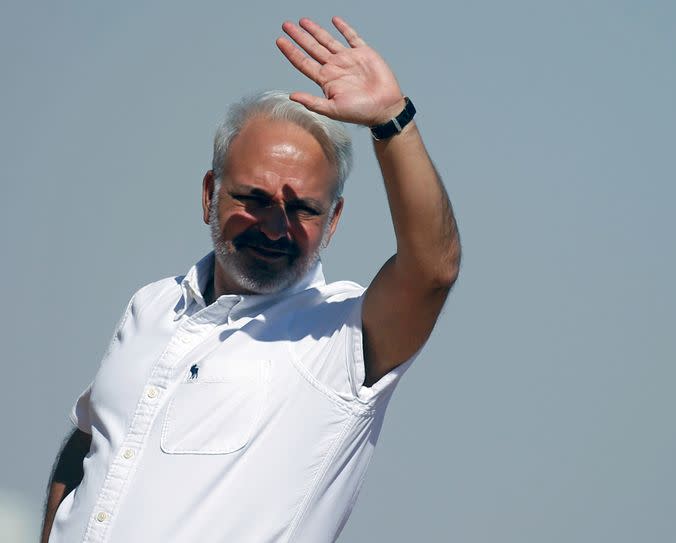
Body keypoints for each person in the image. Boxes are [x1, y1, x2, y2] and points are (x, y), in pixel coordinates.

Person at [41, 16, 460, 543]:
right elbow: (90, 439)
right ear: (209, 195)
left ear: (333, 222)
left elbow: (432, 271)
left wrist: (394, 122)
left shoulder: (342, 339)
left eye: (302, 208)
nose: (274, 226)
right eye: (255, 199)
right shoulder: (153, 306)